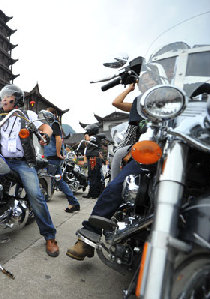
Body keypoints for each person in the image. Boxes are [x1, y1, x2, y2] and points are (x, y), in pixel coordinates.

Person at [66, 68, 160, 261]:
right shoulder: (140, 101)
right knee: (117, 185)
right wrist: (131, 88)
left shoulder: (180, 94)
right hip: (148, 151)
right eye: (144, 80)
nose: (147, 82)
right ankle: (88, 236)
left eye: (151, 78)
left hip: (184, 150)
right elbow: (128, 121)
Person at [0, 84, 60, 257]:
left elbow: (45, 127)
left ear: (18, 99)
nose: (4, 99)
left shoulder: (27, 115)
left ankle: (49, 236)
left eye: (8, 96)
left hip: (23, 163)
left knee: (35, 196)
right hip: (2, 160)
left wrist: (46, 135)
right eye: (2, 97)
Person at [42, 108, 80, 213]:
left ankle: (73, 202)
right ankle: (74, 202)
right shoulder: (50, 125)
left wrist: (58, 153)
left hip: (53, 157)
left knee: (48, 180)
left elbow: (59, 139)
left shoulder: (54, 124)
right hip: (52, 156)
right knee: (58, 181)